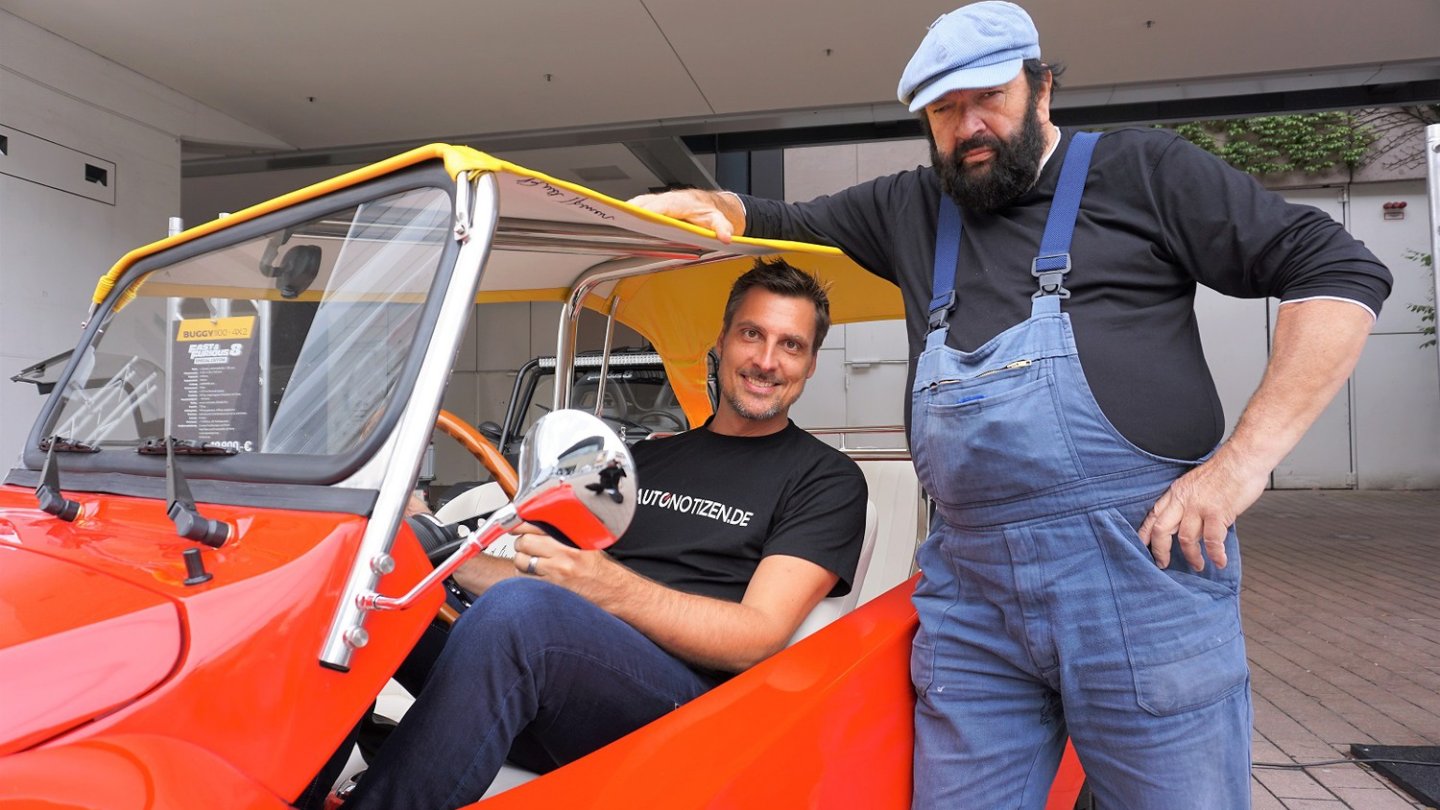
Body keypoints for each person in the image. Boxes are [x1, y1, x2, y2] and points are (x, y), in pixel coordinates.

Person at [627, 3, 1392, 807]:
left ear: (1042, 86)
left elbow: (1339, 272)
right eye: (945, 110)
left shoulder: (1144, 171)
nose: (969, 127)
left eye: (988, 97)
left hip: (1139, 580)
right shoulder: (911, 208)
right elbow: (776, 218)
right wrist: (711, 208)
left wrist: (1240, 467)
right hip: (973, 599)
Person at [341, 258, 868, 810]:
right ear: (722, 341)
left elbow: (757, 638)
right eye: (752, 334)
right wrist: (433, 555)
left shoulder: (826, 479)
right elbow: (547, 577)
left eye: (791, 345)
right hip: (554, 686)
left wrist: (603, 587)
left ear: (811, 364)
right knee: (368, 577)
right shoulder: (646, 459)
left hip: (685, 715)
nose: (766, 360)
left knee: (523, 614)